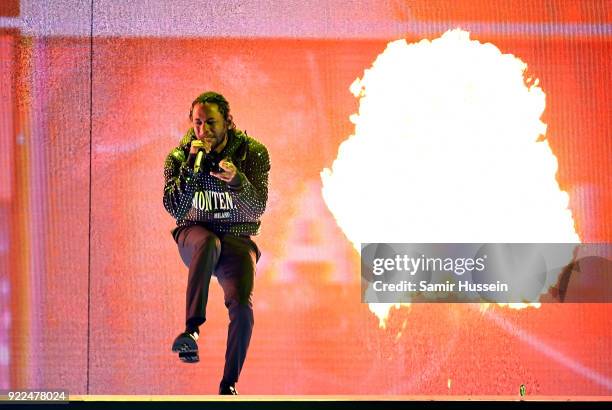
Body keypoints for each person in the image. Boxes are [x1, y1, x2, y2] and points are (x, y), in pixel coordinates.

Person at [163, 91, 270, 395]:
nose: (204, 130)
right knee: (208, 242)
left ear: (227, 122)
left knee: (242, 306)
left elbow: (257, 208)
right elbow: (175, 208)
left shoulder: (253, 153)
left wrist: (237, 181)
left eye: (211, 123)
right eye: (198, 123)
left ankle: (229, 384)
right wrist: (192, 169)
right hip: (194, 234)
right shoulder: (180, 156)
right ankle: (191, 331)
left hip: (237, 236)